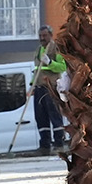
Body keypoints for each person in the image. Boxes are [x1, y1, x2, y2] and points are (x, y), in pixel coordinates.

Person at [31, 25, 69, 156]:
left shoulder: (55, 48)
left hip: (51, 88)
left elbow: (62, 67)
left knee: (54, 115)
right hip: (39, 87)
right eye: (40, 36)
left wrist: (50, 62)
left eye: (44, 35)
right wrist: (32, 86)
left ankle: (59, 144)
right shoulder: (39, 50)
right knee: (40, 117)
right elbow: (37, 70)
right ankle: (45, 145)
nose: (42, 38)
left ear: (50, 35)